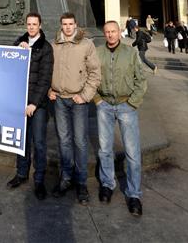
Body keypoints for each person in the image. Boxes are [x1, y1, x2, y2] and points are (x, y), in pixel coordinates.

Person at [95, 21, 147, 217]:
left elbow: (140, 80)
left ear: (119, 32)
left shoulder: (131, 53)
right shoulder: (98, 52)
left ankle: (134, 194)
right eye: (107, 32)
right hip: (104, 105)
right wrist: (97, 99)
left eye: (113, 31)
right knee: (104, 149)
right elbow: (91, 76)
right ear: (104, 33)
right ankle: (107, 184)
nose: (110, 35)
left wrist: (133, 103)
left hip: (126, 105)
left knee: (133, 152)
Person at [49, 13, 101, 204]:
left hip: (78, 100)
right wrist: (49, 89)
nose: (68, 27)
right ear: (61, 26)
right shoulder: (54, 44)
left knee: (79, 142)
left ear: (76, 25)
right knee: (64, 140)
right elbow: (48, 69)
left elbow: (95, 73)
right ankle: (65, 178)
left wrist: (85, 95)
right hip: (59, 100)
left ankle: (81, 183)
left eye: (71, 24)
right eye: (65, 24)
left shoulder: (86, 44)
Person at [7, 13, 54, 201]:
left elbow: (44, 78)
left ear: (40, 25)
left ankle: (40, 179)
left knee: (39, 142)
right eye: (29, 24)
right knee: (22, 140)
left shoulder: (46, 47)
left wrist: (34, 102)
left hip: (38, 104)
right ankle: (21, 173)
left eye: (35, 24)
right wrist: (18, 50)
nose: (31, 27)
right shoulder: (20, 42)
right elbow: (9, 64)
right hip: (20, 100)